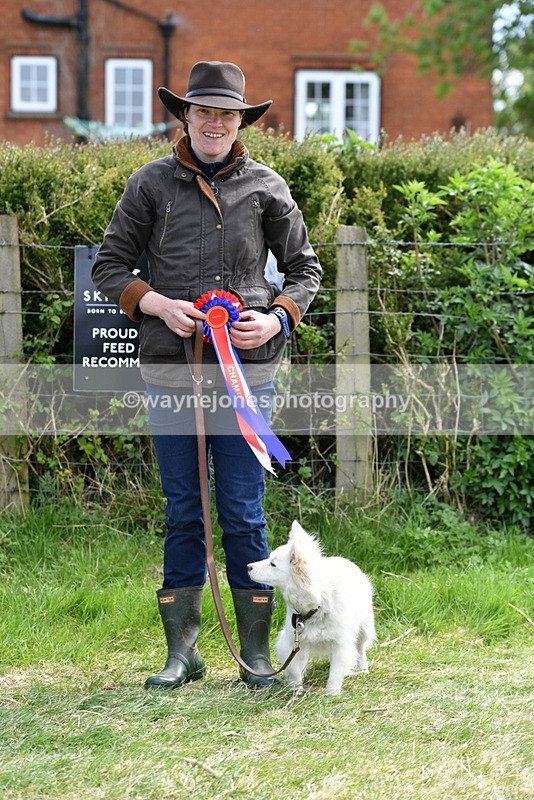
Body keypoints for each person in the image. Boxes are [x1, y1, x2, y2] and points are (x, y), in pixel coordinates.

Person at [91, 61, 322, 690]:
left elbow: (305, 269)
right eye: (203, 111)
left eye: (227, 113)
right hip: (170, 374)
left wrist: (277, 318)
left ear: (240, 120)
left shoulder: (268, 186)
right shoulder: (150, 184)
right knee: (183, 510)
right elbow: (108, 265)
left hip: (249, 375)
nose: (214, 122)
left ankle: (252, 657)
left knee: (244, 512)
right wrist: (157, 303)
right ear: (185, 117)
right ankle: (183, 654)